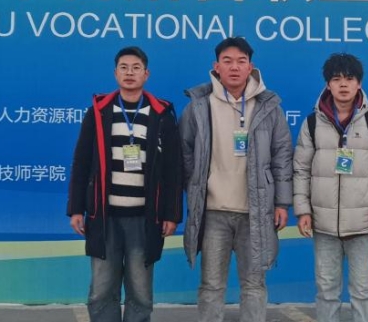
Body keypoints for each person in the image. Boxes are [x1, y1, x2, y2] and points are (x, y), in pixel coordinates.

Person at [180, 37, 293, 322]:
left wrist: (282, 203)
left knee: (254, 285)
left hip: (255, 212)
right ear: (216, 66)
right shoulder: (199, 106)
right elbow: (185, 151)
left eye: (241, 61)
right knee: (211, 285)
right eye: (227, 61)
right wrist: (195, 186)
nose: (234, 67)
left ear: (250, 67)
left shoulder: (269, 107)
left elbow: (282, 156)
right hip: (213, 212)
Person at [66, 46, 184, 322]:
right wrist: (76, 209)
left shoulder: (161, 114)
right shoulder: (98, 112)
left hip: (144, 218)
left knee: (140, 292)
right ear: (115, 73)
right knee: (101, 290)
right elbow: (81, 162)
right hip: (104, 217)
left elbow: (173, 170)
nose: (130, 73)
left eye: (136, 68)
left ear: (146, 74)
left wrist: (171, 214)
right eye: (124, 67)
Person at [293, 53, 368, 322]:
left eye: (349, 79)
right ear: (328, 84)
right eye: (336, 79)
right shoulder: (312, 123)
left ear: (359, 83)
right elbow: (301, 170)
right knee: (326, 290)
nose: (343, 84)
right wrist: (303, 211)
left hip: (364, 224)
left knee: (363, 290)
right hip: (323, 224)